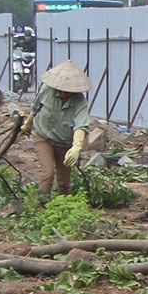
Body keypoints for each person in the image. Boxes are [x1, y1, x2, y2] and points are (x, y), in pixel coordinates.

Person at [26, 60, 93, 196]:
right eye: (62, 90)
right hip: (43, 137)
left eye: (68, 91)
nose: (64, 93)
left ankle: (64, 204)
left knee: (64, 182)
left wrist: (76, 147)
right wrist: (27, 124)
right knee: (48, 173)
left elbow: (81, 125)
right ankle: (40, 205)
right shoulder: (46, 90)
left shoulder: (80, 101)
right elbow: (35, 109)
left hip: (64, 143)